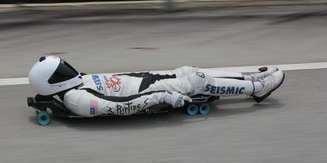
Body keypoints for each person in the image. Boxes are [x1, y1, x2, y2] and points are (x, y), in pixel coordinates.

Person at [28, 55, 285, 117]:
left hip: (144, 77)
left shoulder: (74, 83)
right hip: (147, 91)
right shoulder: (78, 100)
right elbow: (123, 106)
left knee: (191, 70)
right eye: (61, 71)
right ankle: (257, 89)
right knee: (196, 81)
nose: (68, 70)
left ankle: (249, 78)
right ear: (53, 83)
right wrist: (164, 97)